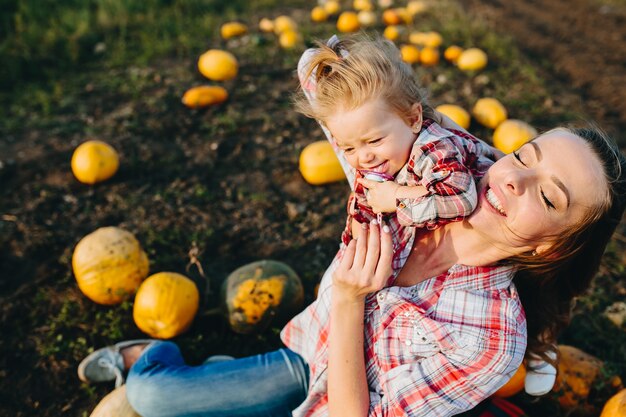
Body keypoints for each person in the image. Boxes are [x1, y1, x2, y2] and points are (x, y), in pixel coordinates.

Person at [76, 44, 626, 417]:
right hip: (307, 355)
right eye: (523, 156)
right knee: (152, 395)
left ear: (553, 242)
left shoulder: (489, 343)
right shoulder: (433, 164)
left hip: (349, 397)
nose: (512, 182)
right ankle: (146, 355)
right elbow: (345, 103)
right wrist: (330, 63)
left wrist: (348, 300)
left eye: (549, 195)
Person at [294, 35, 498, 282]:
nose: (364, 157)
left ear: (413, 120)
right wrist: (356, 243)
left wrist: (396, 197)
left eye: (374, 140)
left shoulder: (433, 149)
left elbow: (461, 197)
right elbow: (363, 204)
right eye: (348, 148)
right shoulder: (375, 158)